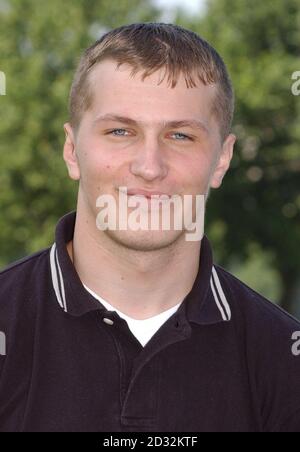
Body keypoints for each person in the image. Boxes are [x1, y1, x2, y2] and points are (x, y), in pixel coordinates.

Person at [0, 22, 299, 433]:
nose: (149, 167)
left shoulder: (285, 359)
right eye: (120, 131)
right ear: (72, 150)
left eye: (180, 135)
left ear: (223, 159)